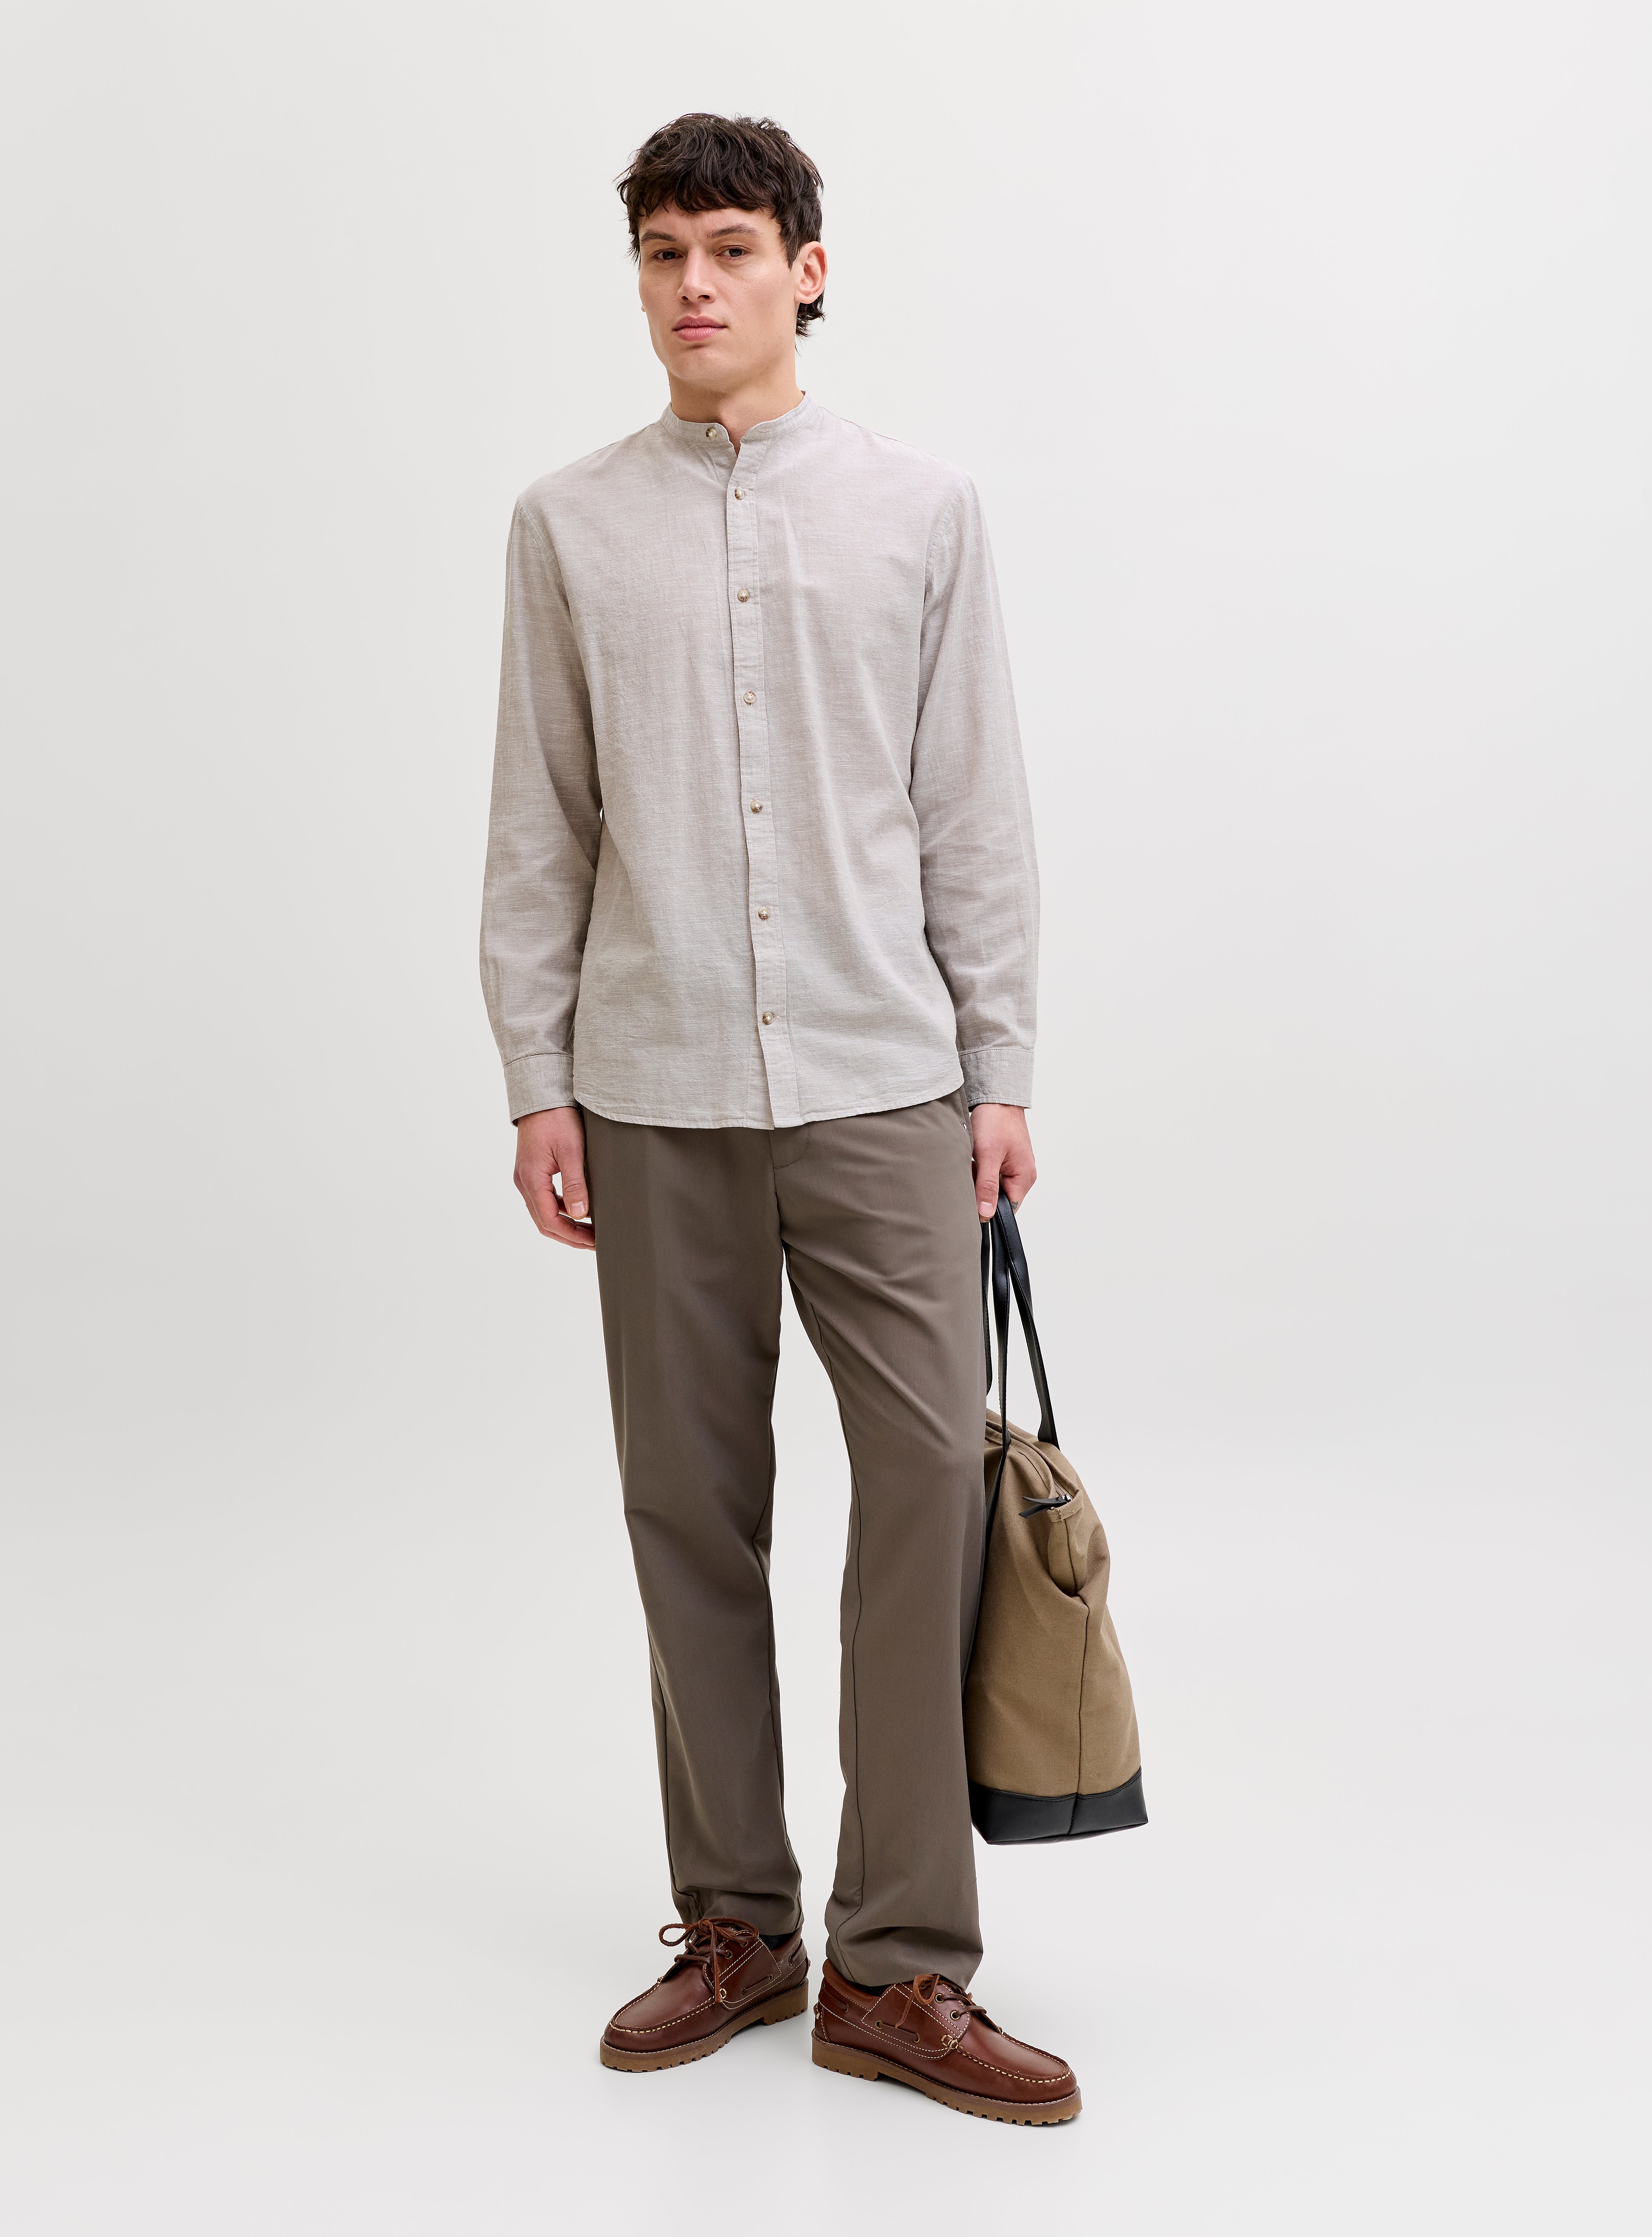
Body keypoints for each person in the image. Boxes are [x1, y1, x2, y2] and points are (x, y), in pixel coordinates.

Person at [480, 112, 1078, 2125]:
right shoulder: (567, 525)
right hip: (649, 1087)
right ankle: (736, 1925)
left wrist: (998, 1065)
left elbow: (973, 807)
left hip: (882, 1080)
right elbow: (541, 819)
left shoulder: (922, 510)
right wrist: (538, 1075)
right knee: (686, 1507)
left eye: (729, 247)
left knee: (923, 1499)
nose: (693, 286)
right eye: (663, 254)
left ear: (805, 271)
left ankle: (899, 1966)